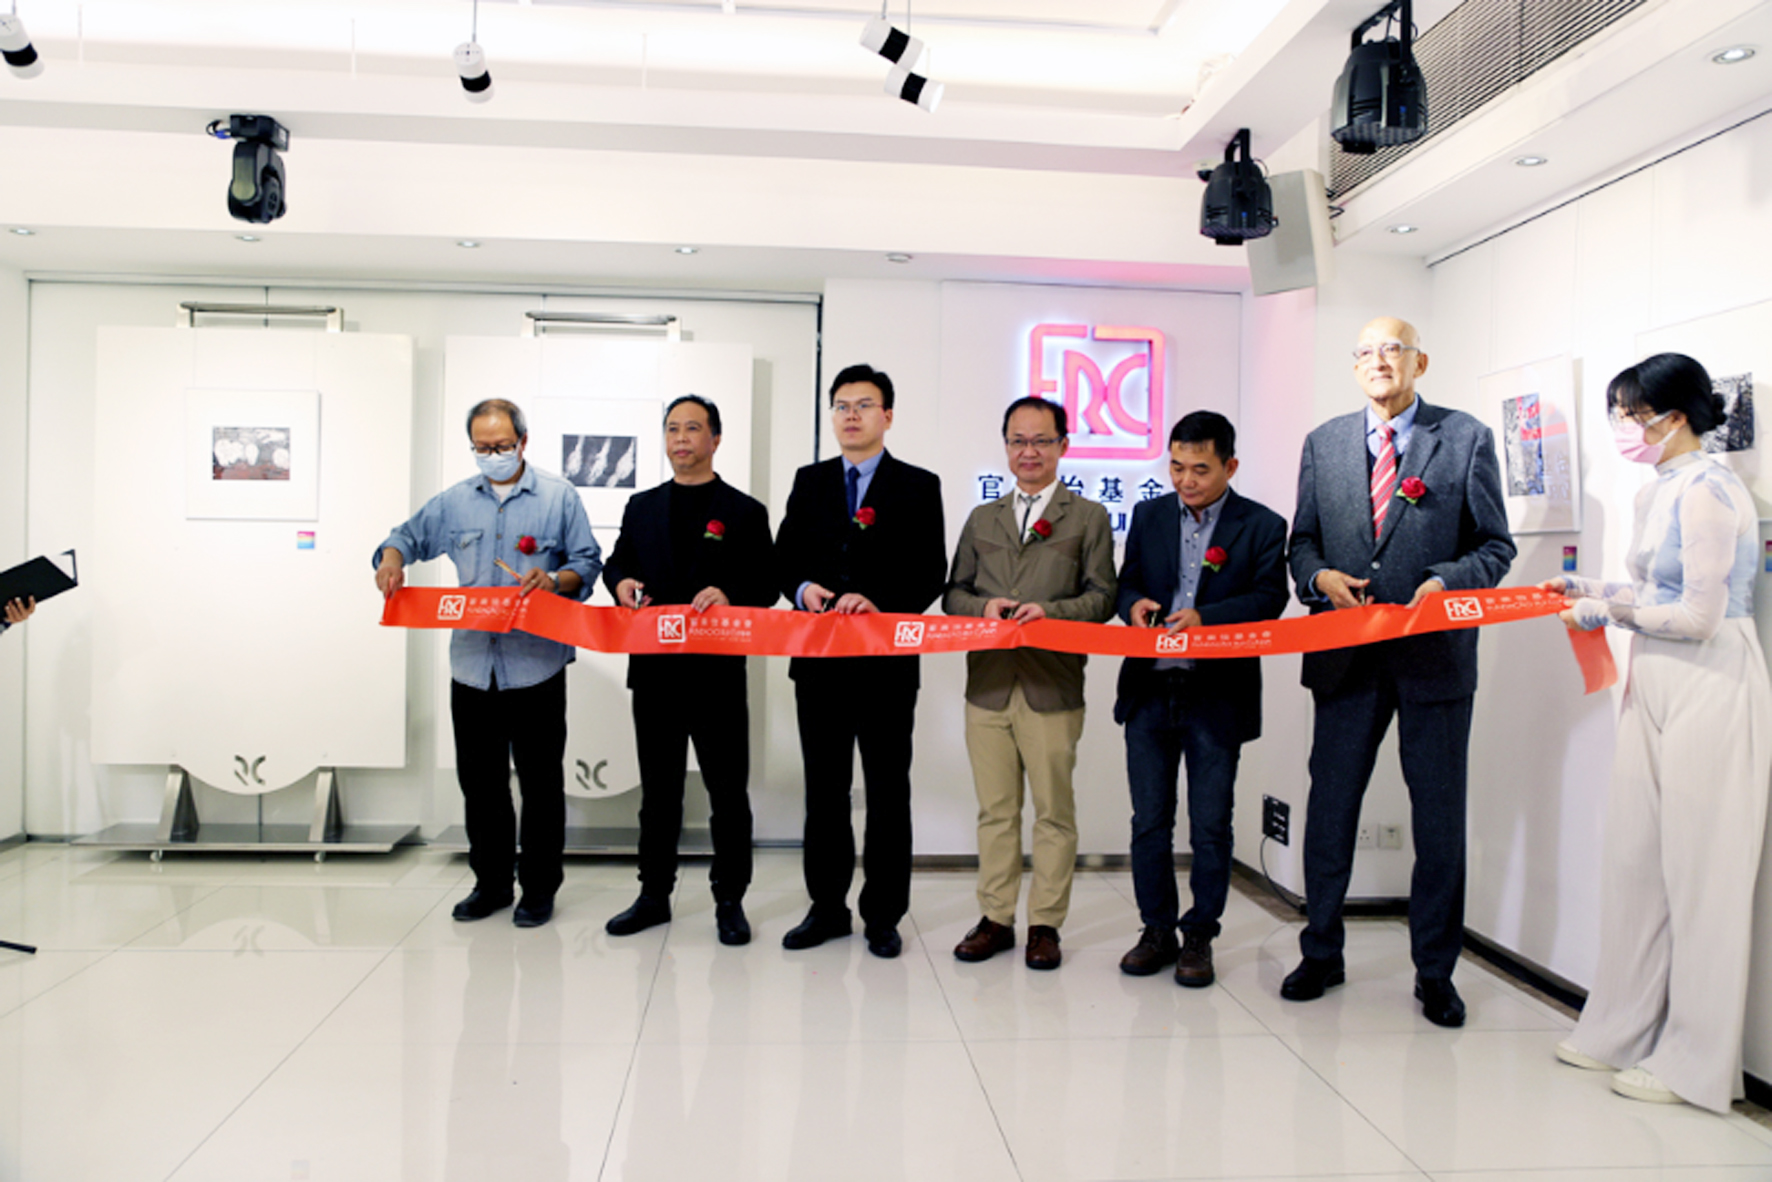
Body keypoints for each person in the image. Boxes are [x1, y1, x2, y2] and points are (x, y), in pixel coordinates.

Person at [1543, 353, 1771, 1112]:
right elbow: (1653, 590)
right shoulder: (1658, 489)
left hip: (1713, 677)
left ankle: (1696, 1062)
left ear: (1674, 417)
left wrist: (1609, 611)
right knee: (1636, 860)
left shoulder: (1710, 490)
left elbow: (1701, 615)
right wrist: (1591, 589)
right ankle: (1620, 1026)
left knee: (1703, 874)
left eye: (1632, 414)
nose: (1622, 428)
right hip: (1656, 674)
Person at [1285, 316, 1515, 1026]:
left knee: (1439, 822)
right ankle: (1321, 951)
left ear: (1420, 361)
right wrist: (1319, 577)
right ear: (1354, 365)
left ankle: (1436, 973)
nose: (1379, 360)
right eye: (1366, 351)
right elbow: (1302, 543)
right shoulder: (1323, 443)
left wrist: (1447, 581)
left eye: (1393, 348)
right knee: (1330, 812)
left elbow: (1495, 547)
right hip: (1344, 659)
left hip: (1433, 659)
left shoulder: (1466, 437)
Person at [375, 398, 602, 929]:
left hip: (536, 664)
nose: (492, 455)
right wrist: (390, 560)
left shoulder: (558, 497)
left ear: (523, 442)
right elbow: (403, 538)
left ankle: (538, 889)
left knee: (540, 784)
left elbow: (587, 563)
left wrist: (554, 581)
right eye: (482, 447)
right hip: (474, 666)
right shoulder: (456, 502)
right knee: (480, 784)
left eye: (501, 446)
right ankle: (492, 884)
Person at [774, 363, 946, 958]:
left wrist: (880, 603)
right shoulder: (810, 480)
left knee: (888, 792)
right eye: (842, 406)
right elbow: (784, 559)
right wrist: (803, 590)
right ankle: (826, 908)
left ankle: (883, 915)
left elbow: (930, 570)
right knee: (824, 792)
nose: (851, 415)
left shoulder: (918, 485)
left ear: (887, 415)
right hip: (819, 664)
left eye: (864, 405)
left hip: (886, 666)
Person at [1113, 411, 1289, 985]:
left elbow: (1269, 599)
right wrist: (1134, 604)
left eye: (1200, 469)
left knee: (1211, 824)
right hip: (1149, 689)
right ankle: (1156, 929)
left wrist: (1206, 619)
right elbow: (1127, 582)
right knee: (1149, 821)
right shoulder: (1149, 515)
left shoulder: (1262, 525)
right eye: (1176, 467)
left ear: (1230, 466)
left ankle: (1199, 936)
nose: (1185, 480)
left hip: (1217, 694)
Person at [942, 396, 1116, 970]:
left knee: (1053, 812)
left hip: (1052, 685)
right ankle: (995, 919)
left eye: (1041, 440)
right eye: (1018, 441)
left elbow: (1103, 598)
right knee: (995, 811)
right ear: (1006, 447)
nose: (1029, 452)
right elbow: (953, 595)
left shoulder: (1087, 517)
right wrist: (982, 608)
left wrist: (1051, 613)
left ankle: (1045, 924)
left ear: (1064, 445)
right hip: (988, 687)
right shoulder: (982, 519)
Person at [601, 395, 778, 946]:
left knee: (728, 793)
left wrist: (730, 593)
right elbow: (617, 562)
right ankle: (653, 894)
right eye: (673, 429)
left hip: (716, 675)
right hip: (654, 673)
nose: (681, 438)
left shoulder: (744, 511)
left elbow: (768, 584)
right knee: (659, 792)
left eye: (693, 428)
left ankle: (730, 898)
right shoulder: (642, 506)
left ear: (715, 439)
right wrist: (620, 583)